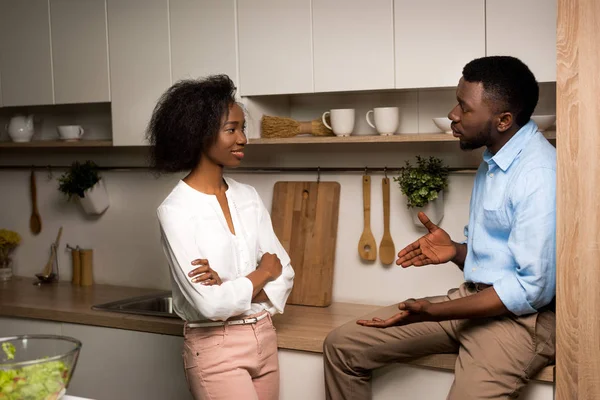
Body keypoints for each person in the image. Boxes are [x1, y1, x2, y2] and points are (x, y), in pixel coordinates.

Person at [323, 56, 556, 400]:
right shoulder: (495, 159)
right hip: (472, 301)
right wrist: (458, 251)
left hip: (520, 323)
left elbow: (529, 290)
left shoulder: (539, 174)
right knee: (342, 347)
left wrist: (434, 311)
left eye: (464, 107)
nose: (453, 114)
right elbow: (500, 261)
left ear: (504, 120)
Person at [149, 74, 295, 400]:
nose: (243, 138)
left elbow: (285, 272)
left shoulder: (249, 197)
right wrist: (261, 273)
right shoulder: (175, 210)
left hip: (264, 337)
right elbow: (209, 304)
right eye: (231, 129)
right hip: (215, 348)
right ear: (198, 135)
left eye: (243, 128)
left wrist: (230, 284)